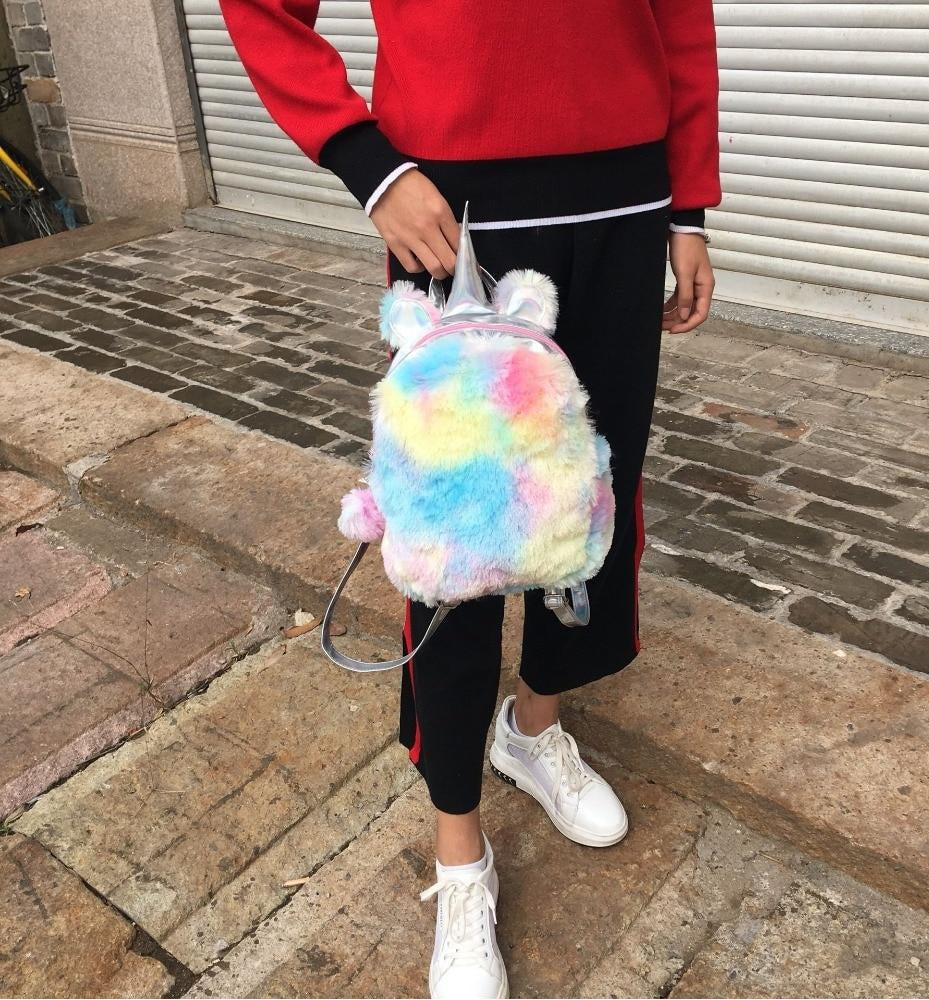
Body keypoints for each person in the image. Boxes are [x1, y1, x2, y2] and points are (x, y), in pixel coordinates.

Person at [219, 2, 720, 996]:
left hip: (623, 199)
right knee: (459, 530)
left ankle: (532, 728)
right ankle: (460, 855)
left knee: (586, 502)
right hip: (459, 204)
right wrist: (369, 165)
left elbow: (680, 11)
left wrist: (687, 205)